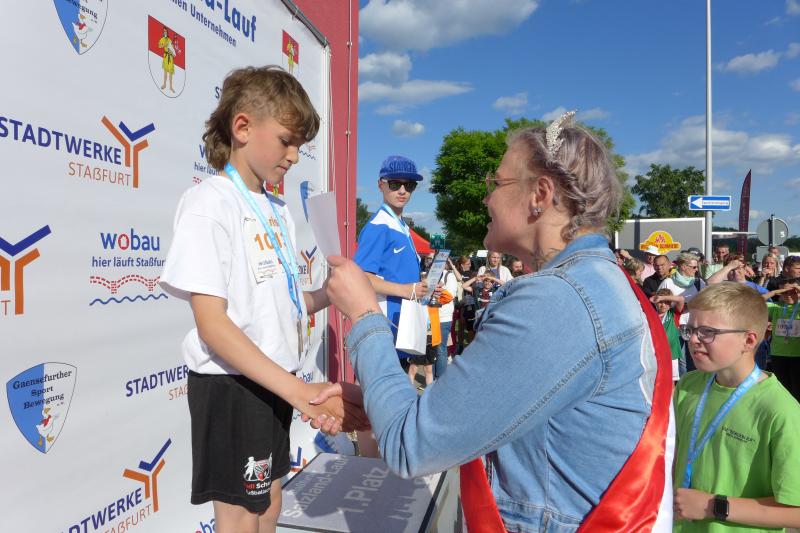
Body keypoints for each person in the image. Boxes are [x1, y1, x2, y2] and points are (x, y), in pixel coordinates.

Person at [314, 112, 674, 531]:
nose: (486, 199)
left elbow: (410, 446)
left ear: (540, 194)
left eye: (497, 184)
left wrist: (364, 313)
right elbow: (492, 409)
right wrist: (383, 400)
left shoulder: (559, 299)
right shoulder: (593, 283)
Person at [159, 66, 349, 533]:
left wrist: (330, 293)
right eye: (286, 140)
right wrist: (299, 393)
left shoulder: (278, 209)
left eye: (299, 145)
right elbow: (213, 325)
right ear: (242, 127)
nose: (294, 155)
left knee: (270, 504)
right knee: (241, 515)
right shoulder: (210, 203)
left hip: (275, 382)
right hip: (232, 386)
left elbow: (282, 304)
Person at [672, 283, 800, 530]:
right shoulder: (689, 385)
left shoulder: (780, 410)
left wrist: (713, 506)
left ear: (749, 340)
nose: (694, 340)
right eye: (690, 330)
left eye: (707, 331)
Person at [352, 155, 428, 384]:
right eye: (395, 184)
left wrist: (424, 287)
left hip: (403, 327)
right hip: (385, 329)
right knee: (377, 395)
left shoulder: (402, 227)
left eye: (409, 185)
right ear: (381, 184)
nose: (402, 190)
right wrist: (406, 290)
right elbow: (360, 278)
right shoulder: (378, 226)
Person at [765, 277, 800, 403]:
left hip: (797, 355)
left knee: (797, 390)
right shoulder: (775, 307)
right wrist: (774, 292)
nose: (789, 295)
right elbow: (754, 303)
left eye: (793, 291)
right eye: (785, 292)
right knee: (783, 390)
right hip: (778, 354)